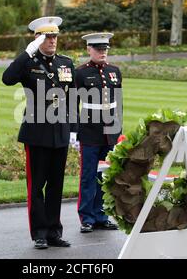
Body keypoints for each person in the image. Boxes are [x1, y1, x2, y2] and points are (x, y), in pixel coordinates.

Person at [2, 16, 77, 249]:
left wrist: (73, 130)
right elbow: (7, 78)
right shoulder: (28, 63)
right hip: (37, 133)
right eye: (47, 36)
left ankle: (54, 231)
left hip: (60, 133)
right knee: (37, 187)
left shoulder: (65, 63)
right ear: (37, 38)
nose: (52, 41)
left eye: (55, 36)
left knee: (56, 186)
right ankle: (40, 232)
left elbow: (73, 98)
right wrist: (27, 53)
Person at [75, 33, 122, 233]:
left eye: (104, 49)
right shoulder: (80, 73)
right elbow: (72, 103)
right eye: (98, 49)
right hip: (90, 131)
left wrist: (118, 131)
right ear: (89, 49)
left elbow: (118, 103)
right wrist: (73, 131)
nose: (102, 52)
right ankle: (87, 217)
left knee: (105, 176)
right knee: (88, 175)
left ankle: (101, 215)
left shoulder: (114, 71)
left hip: (109, 132)